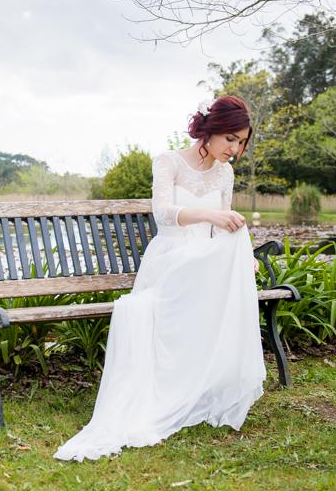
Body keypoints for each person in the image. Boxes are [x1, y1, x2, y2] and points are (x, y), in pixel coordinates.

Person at [54, 95, 264, 462]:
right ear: (211, 130)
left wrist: (242, 258)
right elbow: (163, 216)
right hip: (172, 259)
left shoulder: (225, 173)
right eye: (230, 138)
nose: (235, 148)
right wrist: (210, 217)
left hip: (205, 260)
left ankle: (203, 385)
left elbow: (224, 227)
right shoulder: (169, 162)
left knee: (237, 255)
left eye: (241, 141)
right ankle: (165, 392)